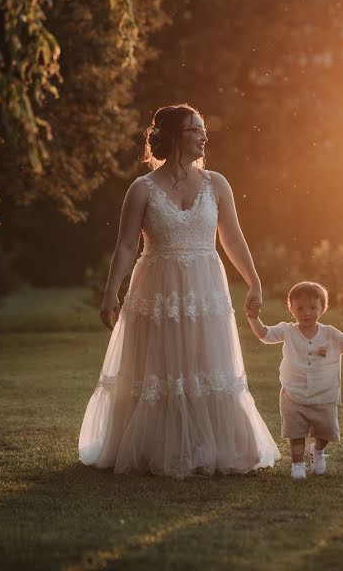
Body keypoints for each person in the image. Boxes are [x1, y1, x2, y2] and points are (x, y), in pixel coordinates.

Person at [78, 104, 280, 477]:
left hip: (205, 288)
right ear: (174, 137)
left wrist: (254, 280)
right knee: (161, 367)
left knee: (206, 364)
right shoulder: (142, 189)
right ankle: (156, 446)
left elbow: (231, 237)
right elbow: (125, 246)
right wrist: (111, 293)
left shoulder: (216, 184)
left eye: (203, 129)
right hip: (157, 289)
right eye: (195, 130)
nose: (204, 135)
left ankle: (213, 445)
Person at [246, 281, 343, 479]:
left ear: (322, 308)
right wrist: (253, 318)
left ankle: (317, 451)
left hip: (324, 393)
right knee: (296, 432)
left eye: (312, 308)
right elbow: (264, 334)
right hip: (294, 393)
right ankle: (297, 465)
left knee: (326, 432)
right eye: (299, 308)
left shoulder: (330, 334)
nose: (306, 313)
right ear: (291, 308)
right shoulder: (287, 331)